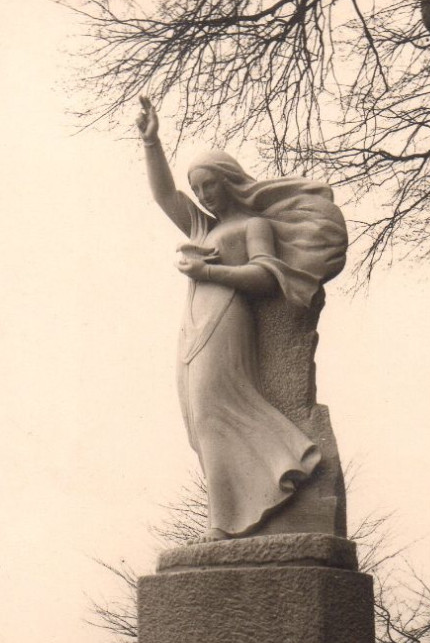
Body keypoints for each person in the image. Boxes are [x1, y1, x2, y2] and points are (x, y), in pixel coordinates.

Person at [136, 96, 347, 541]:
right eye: (198, 190)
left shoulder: (253, 225)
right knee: (198, 417)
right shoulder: (202, 226)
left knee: (217, 410)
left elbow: (267, 276)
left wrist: (208, 271)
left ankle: (230, 516)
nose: (203, 195)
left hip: (228, 322)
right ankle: (232, 512)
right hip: (192, 328)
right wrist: (152, 143)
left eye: (209, 186)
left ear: (230, 181)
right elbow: (163, 195)